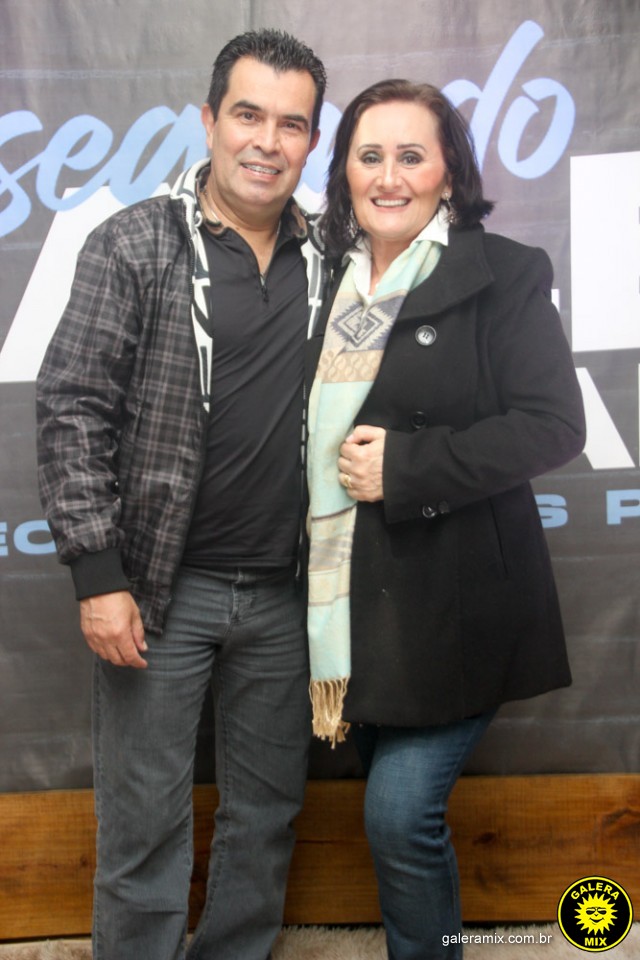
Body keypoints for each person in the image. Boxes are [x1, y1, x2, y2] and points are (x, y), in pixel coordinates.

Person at [36, 29, 326, 960]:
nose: (267, 142)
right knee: (143, 829)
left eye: (292, 124)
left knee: (267, 818)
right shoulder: (135, 243)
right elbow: (73, 406)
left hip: (288, 597)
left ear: (313, 140)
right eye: (248, 115)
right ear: (208, 121)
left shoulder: (336, 256)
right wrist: (98, 576)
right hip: (162, 591)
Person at [305, 79, 586, 960]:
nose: (389, 177)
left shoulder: (503, 272)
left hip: (457, 602)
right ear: (345, 172)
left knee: (398, 813)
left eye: (411, 156)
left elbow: (554, 425)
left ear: (450, 174)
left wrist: (407, 467)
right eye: (369, 156)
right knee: (396, 816)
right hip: (348, 602)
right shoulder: (319, 283)